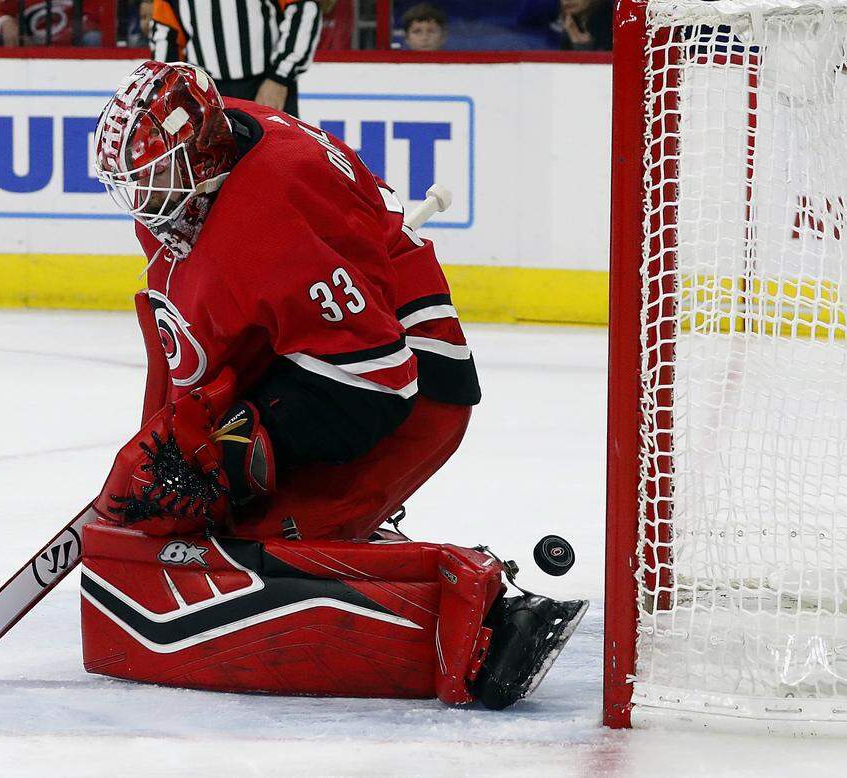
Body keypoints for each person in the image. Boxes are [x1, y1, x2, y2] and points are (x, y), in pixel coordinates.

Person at [89, 60, 587, 709]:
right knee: (194, 512)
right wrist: (172, 437)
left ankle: (483, 613)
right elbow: (207, 329)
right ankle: (355, 539)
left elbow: (376, 381)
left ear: (203, 157)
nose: (146, 202)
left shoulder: (269, 207)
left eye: (157, 180)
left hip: (408, 393)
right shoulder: (209, 167)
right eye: (136, 185)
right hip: (318, 356)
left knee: (245, 547)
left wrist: (239, 453)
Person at [147, 0, 332, 117]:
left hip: (267, 86)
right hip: (205, 94)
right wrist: (171, 90)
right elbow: (166, 33)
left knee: (276, 165)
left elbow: (304, 10)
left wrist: (280, 78)